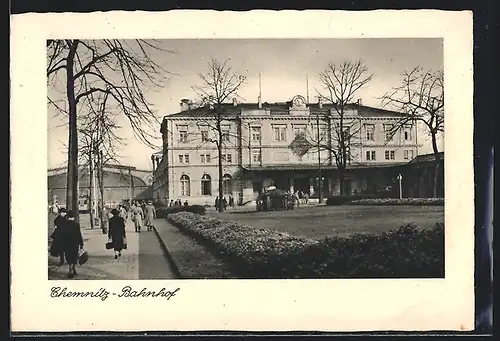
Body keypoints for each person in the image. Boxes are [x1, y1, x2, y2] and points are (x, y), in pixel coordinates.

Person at [58, 210, 84, 279]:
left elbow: (61, 235)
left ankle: (73, 269)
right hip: (74, 243)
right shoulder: (76, 224)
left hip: (66, 243)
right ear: (73, 217)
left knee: (69, 256)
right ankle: (71, 270)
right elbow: (79, 235)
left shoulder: (63, 225)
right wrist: (81, 244)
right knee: (74, 256)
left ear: (67, 217)